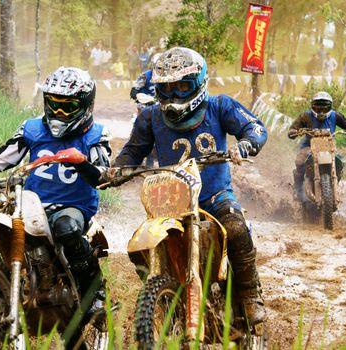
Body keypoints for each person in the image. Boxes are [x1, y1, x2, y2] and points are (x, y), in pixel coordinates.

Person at [111, 47, 268, 325]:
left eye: (182, 86)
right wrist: (117, 169)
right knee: (141, 247)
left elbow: (254, 127)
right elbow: (133, 151)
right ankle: (164, 295)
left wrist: (246, 144)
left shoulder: (220, 106)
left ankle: (248, 294)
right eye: (167, 87)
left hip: (214, 196)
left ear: (198, 83)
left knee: (236, 229)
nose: (174, 93)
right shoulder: (150, 116)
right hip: (170, 200)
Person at [0, 67, 111, 346]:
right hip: (30, 204)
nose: (58, 112)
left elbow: (103, 176)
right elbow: (2, 157)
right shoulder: (33, 128)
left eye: (67, 107)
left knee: (65, 227)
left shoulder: (96, 135)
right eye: (53, 104)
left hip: (73, 206)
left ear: (84, 105)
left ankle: (95, 294)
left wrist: (82, 163)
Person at [288, 91, 346, 203]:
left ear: (330, 107)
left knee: (340, 162)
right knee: (299, 161)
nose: (321, 111)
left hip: (329, 146)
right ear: (313, 107)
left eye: (324, 108)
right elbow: (293, 128)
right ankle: (297, 190)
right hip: (309, 146)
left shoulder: (335, 115)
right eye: (318, 108)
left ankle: (334, 185)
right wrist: (293, 131)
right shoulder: (306, 116)